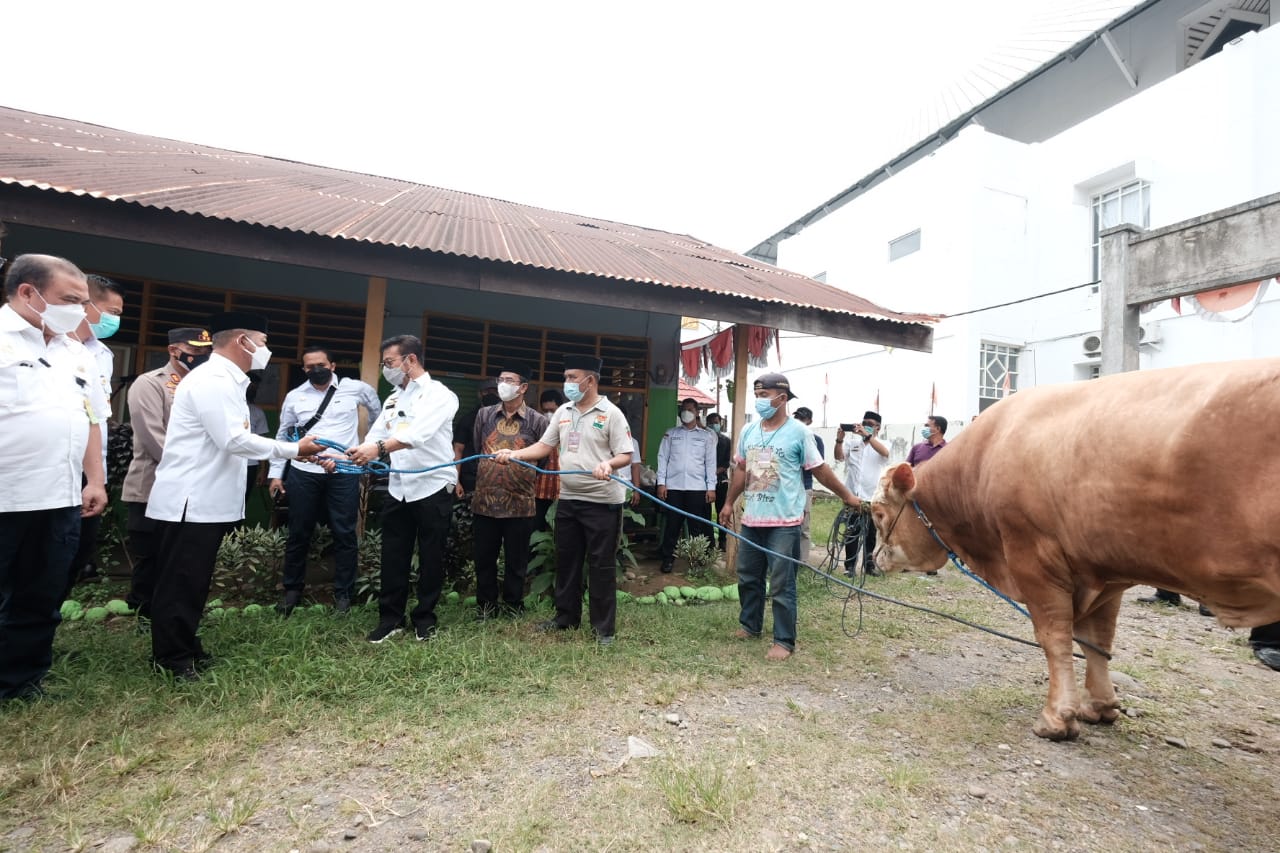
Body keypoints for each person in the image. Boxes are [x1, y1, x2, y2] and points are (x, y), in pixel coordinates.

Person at [146, 312, 323, 680]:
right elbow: (234, 440)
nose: (266, 350)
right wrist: (294, 450)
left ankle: (183, 644)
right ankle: (173, 657)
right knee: (182, 581)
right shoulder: (213, 381)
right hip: (190, 500)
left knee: (193, 579)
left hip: (205, 499)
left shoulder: (227, 380)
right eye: (262, 342)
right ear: (242, 341)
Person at [0, 254, 108, 700]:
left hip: (60, 496)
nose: (80, 311)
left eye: (83, 302)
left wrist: (95, 480)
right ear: (28, 292)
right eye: (70, 300)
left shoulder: (75, 352)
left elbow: (91, 418)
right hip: (6, 494)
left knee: (41, 595)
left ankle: (20, 682)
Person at [494, 354, 633, 646]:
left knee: (601, 564)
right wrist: (514, 454)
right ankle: (565, 618)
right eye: (566, 376)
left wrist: (608, 464)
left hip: (603, 502)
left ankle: (603, 629)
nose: (566, 382)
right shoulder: (564, 411)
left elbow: (625, 454)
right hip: (569, 499)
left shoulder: (611, 413)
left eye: (572, 377)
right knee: (567, 560)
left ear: (590, 380)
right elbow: (544, 446)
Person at [719, 373, 859, 662]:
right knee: (748, 576)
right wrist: (729, 503)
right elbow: (742, 469)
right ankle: (750, 625)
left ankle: (783, 640)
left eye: (764, 395)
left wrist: (847, 495)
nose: (759, 401)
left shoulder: (799, 432)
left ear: (782, 398)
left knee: (782, 582)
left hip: (784, 522)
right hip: (752, 519)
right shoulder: (749, 431)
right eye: (757, 395)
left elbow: (819, 469)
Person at [346, 335, 459, 643]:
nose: (387, 369)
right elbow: (376, 435)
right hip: (399, 486)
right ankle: (390, 619)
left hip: (433, 485)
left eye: (390, 363)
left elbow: (418, 435)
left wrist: (378, 448)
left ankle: (425, 619)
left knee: (431, 556)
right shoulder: (394, 398)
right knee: (393, 554)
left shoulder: (440, 395)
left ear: (411, 360)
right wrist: (348, 457)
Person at [269, 345, 382, 614]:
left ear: (332, 365)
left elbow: (378, 415)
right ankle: (292, 591)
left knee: (344, 533)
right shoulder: (295, 396)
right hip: (304, 472)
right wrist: (275, 474)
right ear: (304, 369)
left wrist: (368, 448)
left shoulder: (356, 388)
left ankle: (343, 594)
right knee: (299, 532)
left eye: (321, 365)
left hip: (343, 472)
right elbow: (283, 436)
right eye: (310, 366)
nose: (316, 370)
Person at [121, 327, 212, 618]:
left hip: (193, 487)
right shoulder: (150, 384)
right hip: (152, 486)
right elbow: (152, 436)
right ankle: (144, 614)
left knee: (181, 558)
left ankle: (171, 615)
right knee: (151, 557)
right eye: (195, 350)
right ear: (174, 350)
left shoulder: (205, 385)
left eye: (206, 350)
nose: (202, 355)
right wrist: (195, 469)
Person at [62, 273, 126, 591]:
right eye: (112, 312)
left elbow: (96, 417)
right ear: (85, 304)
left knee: (77, 553)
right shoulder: (49, 347)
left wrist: (97, 479)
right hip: (52, 468)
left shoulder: (102, 354)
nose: (115, 320)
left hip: (89, 472)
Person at [470, 366, 549, 619]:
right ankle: (486, 606)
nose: (502, 384)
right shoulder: (484, 415)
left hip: (520, 502)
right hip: (485, 501)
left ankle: (513, 604)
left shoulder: (538, 421)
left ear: (523, 387)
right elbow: (477, 447)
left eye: (509, 380)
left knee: (517, 559)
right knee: (484, 558)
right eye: (500, 379)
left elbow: (543, 458)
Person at [655, 398, 717, 573]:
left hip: (697, 488)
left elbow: (710, 463)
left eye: (690, 409)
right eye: (683, 409)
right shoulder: (671, 434)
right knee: (672, 525)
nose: (686, 412)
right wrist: (661, 483)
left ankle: (696, 560)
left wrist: (711, 487)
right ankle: (668, 559)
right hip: (674, 487)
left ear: (697, 413)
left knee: (696, 527)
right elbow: (662, 458)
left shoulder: (706, 437)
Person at [834, 410, 889, 576]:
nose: (865, 426)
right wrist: (839, 440)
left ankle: (869, 566)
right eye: (864, 423)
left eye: (870, 425)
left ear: (878, 428)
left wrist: (867, 436)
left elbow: (885, 453)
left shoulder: (883, 443)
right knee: (852, 531)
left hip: (873, 497)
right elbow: (839, 457)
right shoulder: (852, 444)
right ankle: (850, 567)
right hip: (853, 496)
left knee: (871, 533)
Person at [453, 378, 500, 498]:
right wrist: (456, 481)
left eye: (494, 391)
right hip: (471, 478)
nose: (491, 395)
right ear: (480, 394)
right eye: (487, 391)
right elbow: (458, 449)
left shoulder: (509, 420)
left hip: (499, 479)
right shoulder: (468, 419)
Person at [791, 407, 824, 552]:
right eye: (797, 418)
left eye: (802, 419)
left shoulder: (815, 440)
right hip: (787, 487)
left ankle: (802, 560)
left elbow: (818, 466)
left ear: (809, 421)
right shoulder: (787, 437)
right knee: (786, 526)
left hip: (804, 486)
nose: (799, 421)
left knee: (803, 527)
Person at [533, 388, 566, 531]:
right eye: (545, 410)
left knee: (559, 531)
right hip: (539, 489)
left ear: (560, 408)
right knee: (536, 529)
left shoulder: (569, 428)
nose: (548, 414)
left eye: (552, 410)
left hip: (562, 491)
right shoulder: (537, 427)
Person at [705, 411, 732, 550]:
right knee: (705, 513)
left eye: (716, 422)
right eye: (711, 423)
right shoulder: (703, 438)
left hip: (721, 481)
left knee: (722, 510)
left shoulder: (726, 441)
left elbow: (727, 462)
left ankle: (722, 540)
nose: (713, 425)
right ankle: (708, 541)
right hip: (704, 481)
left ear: (720, 423)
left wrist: (714, 472)